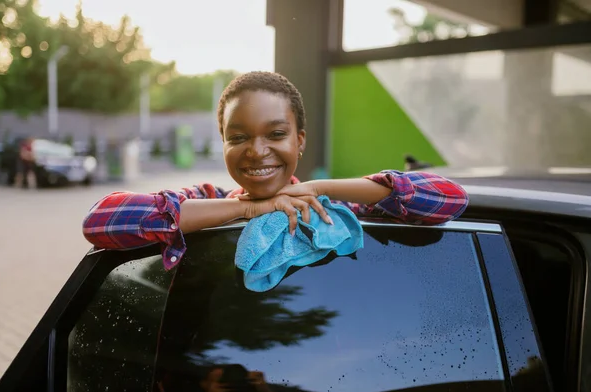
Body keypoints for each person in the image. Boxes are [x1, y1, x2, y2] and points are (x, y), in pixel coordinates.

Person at [82, 71, 469, 269]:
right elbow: (100, 221)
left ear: (300, 140)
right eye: (238, 137)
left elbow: (450, 199)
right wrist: (248, 209)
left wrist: (316, 188)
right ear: (223, 142)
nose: (256, 151)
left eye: (276, 134)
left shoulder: (339, 210)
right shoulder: (205, 202)